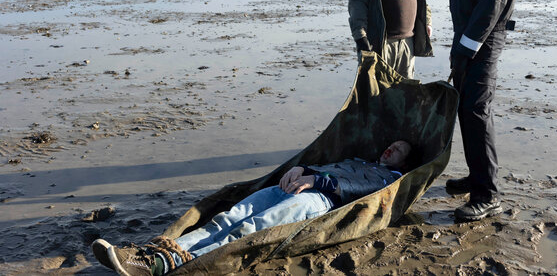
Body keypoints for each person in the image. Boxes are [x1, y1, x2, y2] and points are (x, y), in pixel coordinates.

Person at [91, 140, 413, 276]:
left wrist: (318, 184)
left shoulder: (391, 177)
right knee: (227, 218)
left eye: (398, 150)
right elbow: (324, 166)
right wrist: (302, 170)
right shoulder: (359, 160)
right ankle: (155, 254)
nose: (391, 149)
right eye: (392, 144)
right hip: (292, 186)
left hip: (316, 201)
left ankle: (167, 266)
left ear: (403, 162)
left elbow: (362, 189)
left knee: (251, 229)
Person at [444, 0, 521, 221]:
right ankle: (477, 176)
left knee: (476, 111)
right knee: (465, 110)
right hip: (467, 38)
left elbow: (491, 4)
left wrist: (466, 48)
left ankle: (487, 194)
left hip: (483, 42)